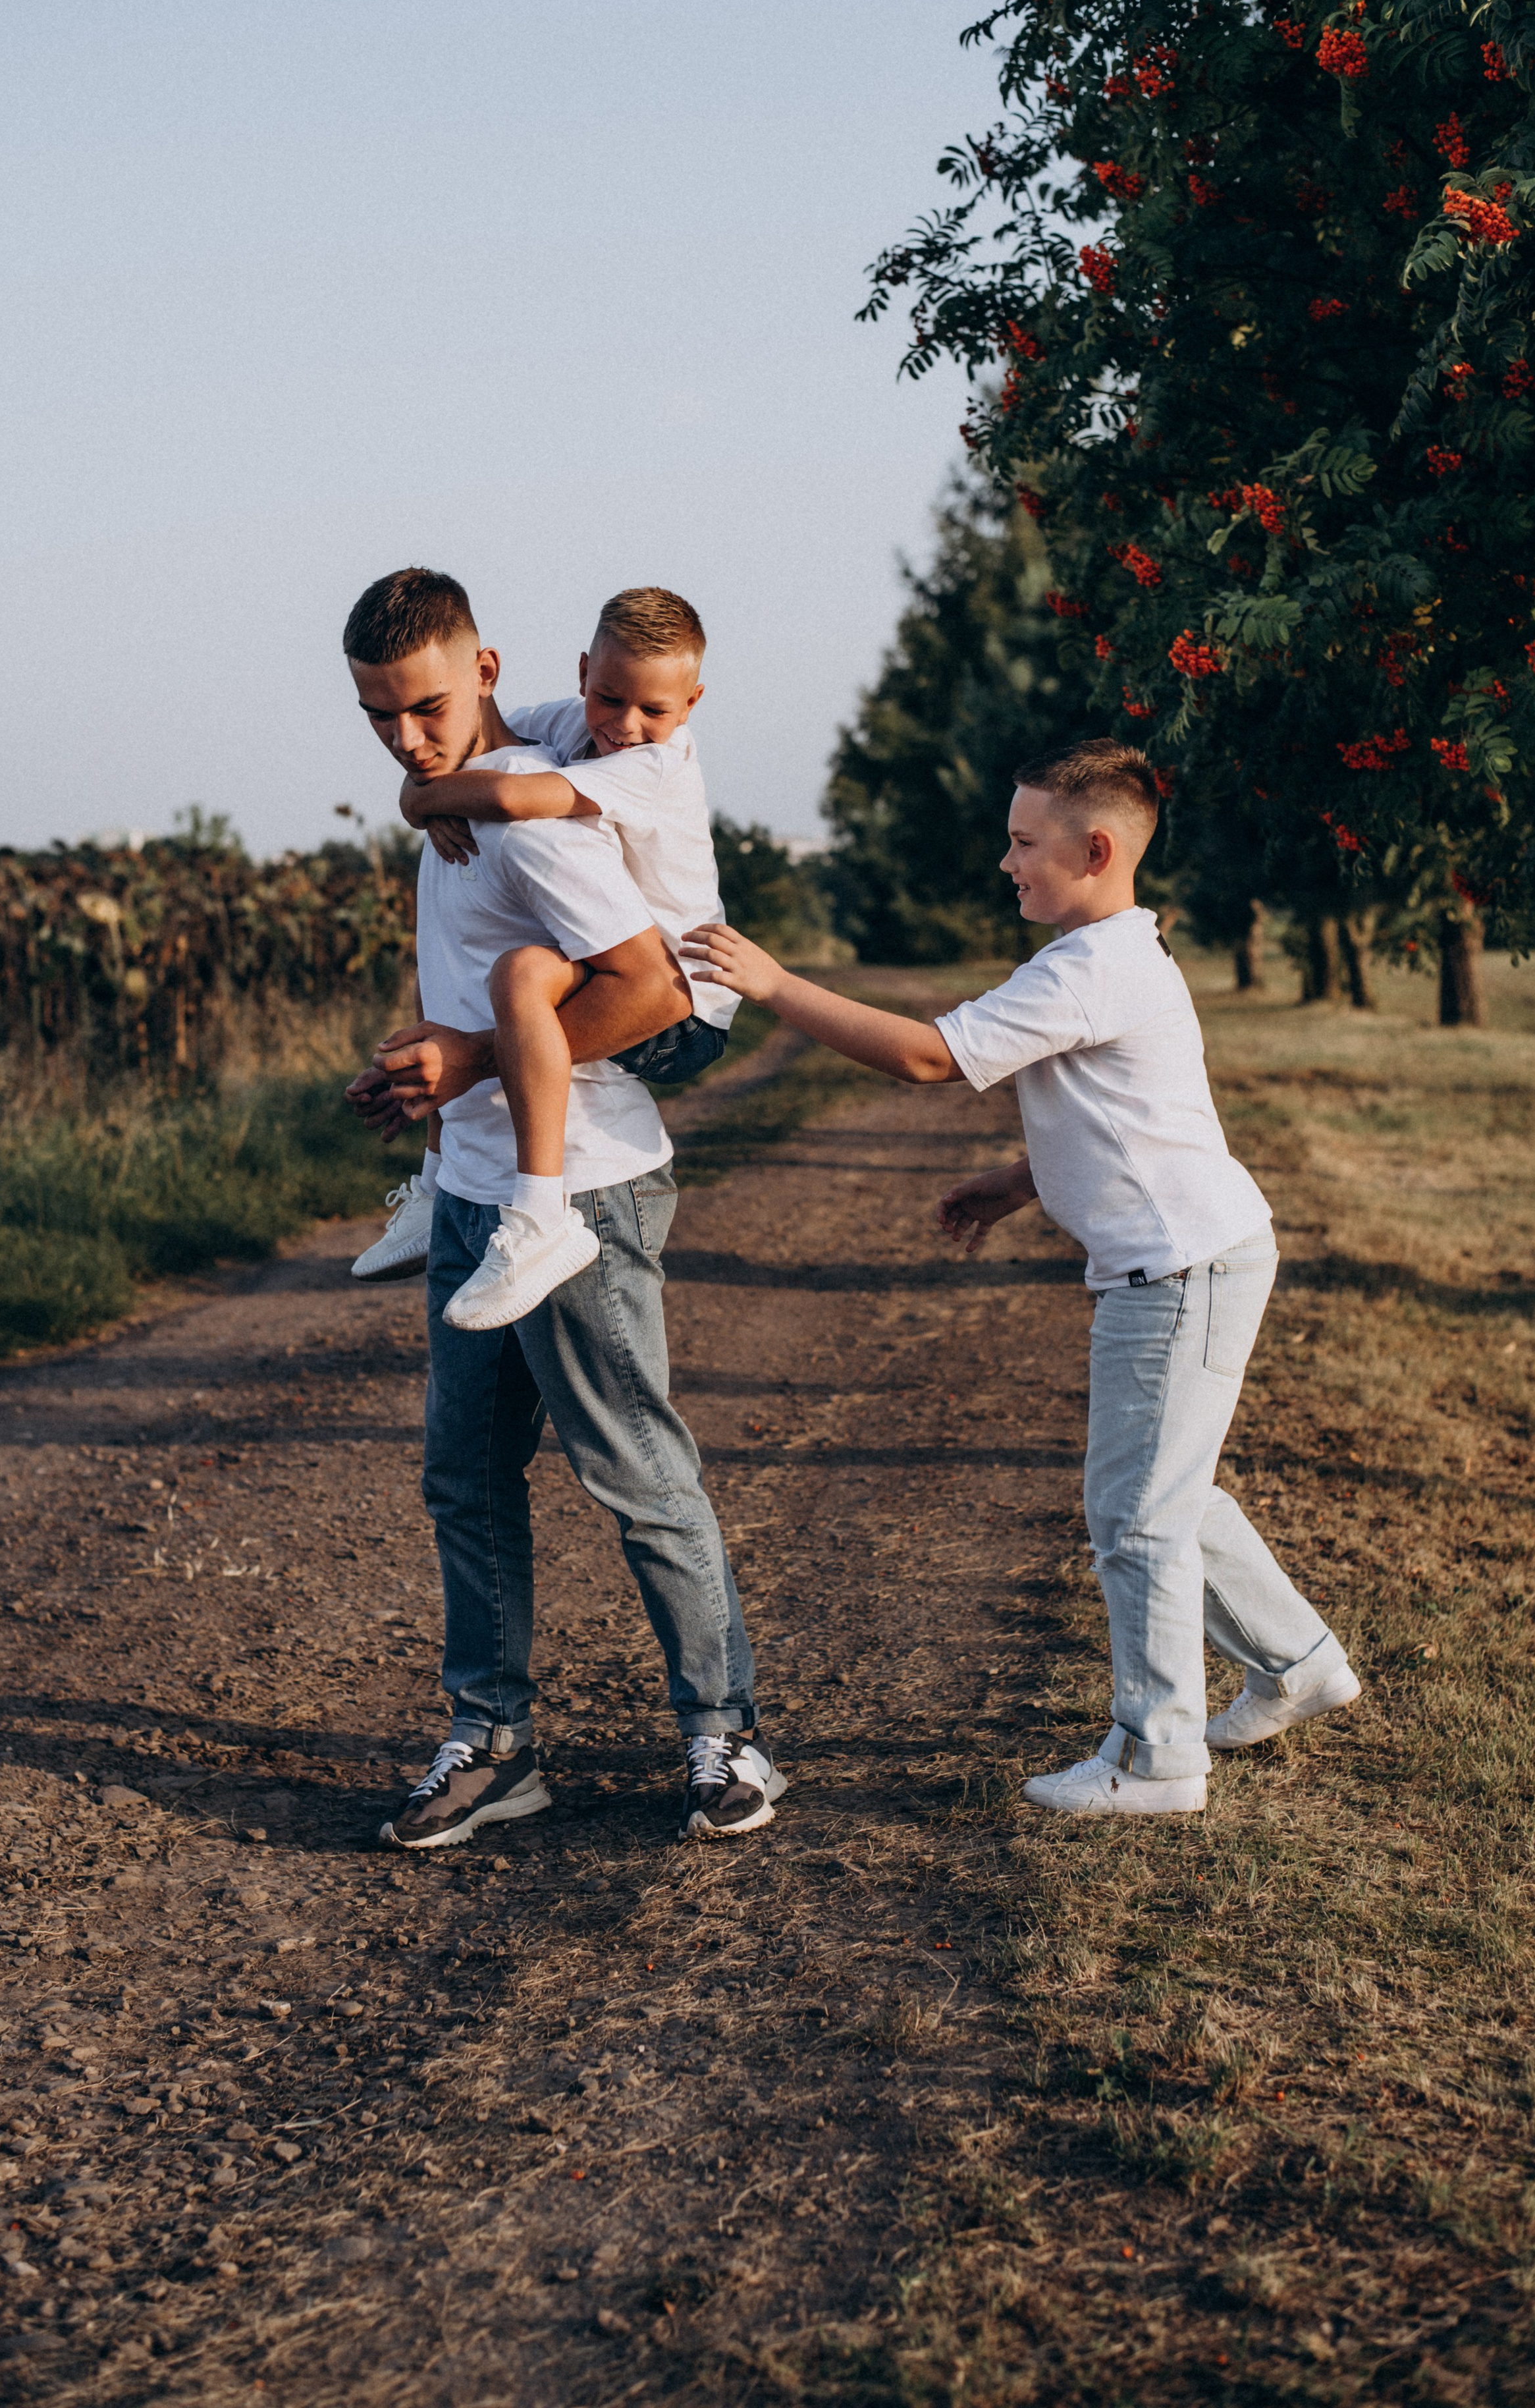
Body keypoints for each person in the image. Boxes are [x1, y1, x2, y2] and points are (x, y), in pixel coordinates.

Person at [683, 738, 1358, 1817]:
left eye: (1022, 841)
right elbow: (1124, 1122)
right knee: (1159, 1493)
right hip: (1195, 1253)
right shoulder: (1113, 955)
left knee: (1133, 1515)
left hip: (1178, 1269)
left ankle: (1158, 1759)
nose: (1006, 862)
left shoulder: (1093, 967)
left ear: (1095, 849)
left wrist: (773, 984)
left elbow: (924, 1057)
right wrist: (1014, 1180)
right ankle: (1296, 1662)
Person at [343, 564, 786, 1849]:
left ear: (482, 673)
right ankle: (492, 1744)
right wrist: (427, 1073)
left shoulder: (541, 813)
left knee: (632, 1469)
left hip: (585, 1189)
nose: (408, 741)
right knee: (466, 1480)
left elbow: (647, 991)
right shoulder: (461, 788)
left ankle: (726, 1736)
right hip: (481, 1186)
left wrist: (471, 1056)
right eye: (381, 719)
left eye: (425, 709)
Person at [394, 586, 739, 1330]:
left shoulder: (657, 765)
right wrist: (427, 777)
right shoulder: (569, 722)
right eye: (608, 697)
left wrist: (418, 801)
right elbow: (506, 737)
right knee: (457, 972)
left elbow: (518, 799)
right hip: (627, 962)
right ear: (584, 672)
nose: (625, 725)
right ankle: (433, 1181)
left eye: (655, 708)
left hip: (690, 999)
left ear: (693, 701)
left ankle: (543, 1215)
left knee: (518, 974)